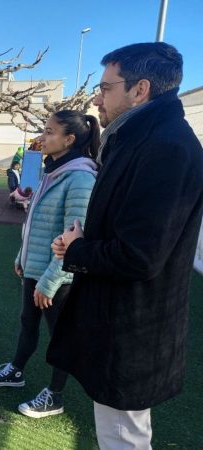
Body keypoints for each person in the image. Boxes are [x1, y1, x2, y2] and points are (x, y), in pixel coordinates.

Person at [48, 43, 203, 449]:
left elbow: (140, 255)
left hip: (132, 331)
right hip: (119, 323)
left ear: (140, 90)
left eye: (106, 87)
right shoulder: (136, 139)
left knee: (123, 439)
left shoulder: (166, 148)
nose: (96, 97)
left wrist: (76, 249)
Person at [0, 110, 100, 419]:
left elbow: (76, 238)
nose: (41, 137)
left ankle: (55, 396)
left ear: (69, 139)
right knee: (27, 323)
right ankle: (16, 372)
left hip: (58, 277)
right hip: (34, 267)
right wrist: (21, 257)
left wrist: (50, 281)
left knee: (61, 336)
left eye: (49, 132)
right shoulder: (51, 170)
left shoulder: (80, 178)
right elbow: (24, 197)